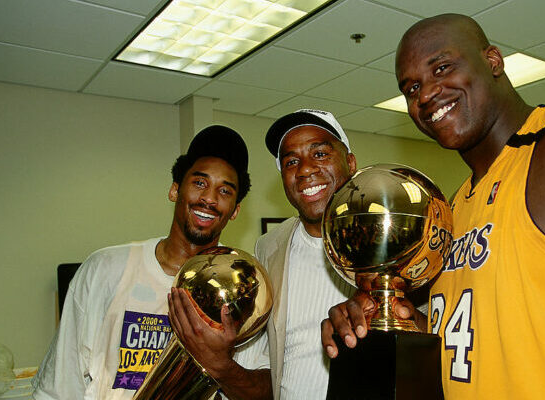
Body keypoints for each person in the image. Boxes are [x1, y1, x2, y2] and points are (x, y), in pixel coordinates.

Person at [322, 14, 545, 399]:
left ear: (494, 60)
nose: (426, 94)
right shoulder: (451, 207)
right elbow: (480, 340)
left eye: (442, 67)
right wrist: (375, 324)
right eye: (412, 87)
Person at [32, 125, 252, 400]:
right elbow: (59, 386)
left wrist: (221, 363)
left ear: (235, 211)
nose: (209, 198)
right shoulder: (106, 268)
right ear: (174, 190)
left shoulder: (239, 294)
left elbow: (260, 386)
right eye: (199, 183)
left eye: (225, 191)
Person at [172, 109, 358, 400]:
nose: (306, 169)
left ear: (350, 162)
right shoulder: (269, 248)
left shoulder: (389, 238)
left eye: (320, 154)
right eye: (291, 161)